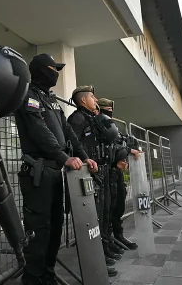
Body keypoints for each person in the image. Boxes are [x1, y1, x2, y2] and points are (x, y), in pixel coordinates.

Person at [15, 54, 99, 285]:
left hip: (54, 171)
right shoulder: (29, 96)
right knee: (39, 230)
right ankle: (33, 278)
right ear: (42, 70)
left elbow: (68, 132)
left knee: (55, 227)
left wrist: (84, 157)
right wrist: (64, 157)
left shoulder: (50, 100)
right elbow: (38, 130)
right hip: (38, 171)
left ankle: (48, 274)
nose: (57, 73)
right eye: (54, 68)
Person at [67, 87, 121, 271]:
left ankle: (103, 250)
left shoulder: (93, 118)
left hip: (101, 171)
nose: (95, 98)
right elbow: (72, 146)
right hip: (88, 174)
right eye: (91, 96)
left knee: (104, 214)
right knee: (94, 217)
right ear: (83, 101)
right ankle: (95, 260)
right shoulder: (77, 119)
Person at [97, 98, 139, 251]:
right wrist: (126, 151)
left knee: (118, 205)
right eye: (106, 108)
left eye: (110, 108)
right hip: (107, 171)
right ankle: (108, 239)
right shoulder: (100, 123)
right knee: (109, 208)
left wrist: (124, 153)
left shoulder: (111, 126)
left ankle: (118, 235)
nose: (109, 111)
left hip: (116, 172)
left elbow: (121, 143)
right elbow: (110, 147)